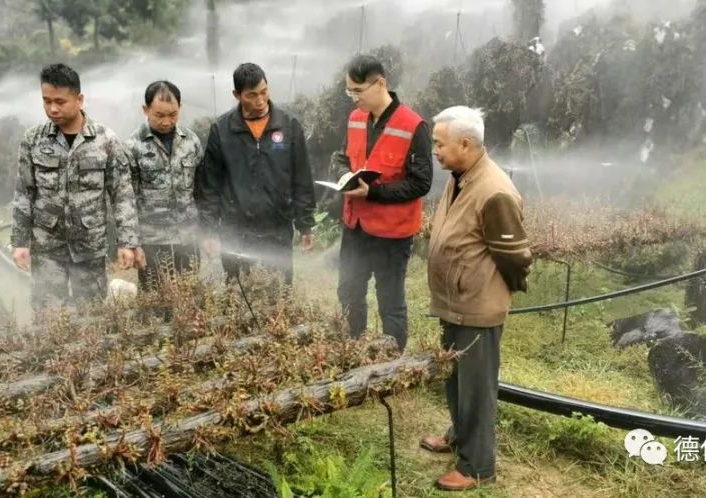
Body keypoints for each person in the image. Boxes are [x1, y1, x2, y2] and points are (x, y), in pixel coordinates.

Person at [420, 106, 532, 491]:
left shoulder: (494, 191)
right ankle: (458, 434)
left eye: (439, 143)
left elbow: (515, 256)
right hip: (454, 301)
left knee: (477, 387)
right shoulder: (461, 175)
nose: (434, 149)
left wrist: (495, 290)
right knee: (455, 377)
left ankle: (477, 466)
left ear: (465, 144)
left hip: (477, 305)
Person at [10, 63, 144, 310]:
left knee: (91, 315)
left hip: (90, 248)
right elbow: (24, 192)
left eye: (60, 101)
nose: (52, 108)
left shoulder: (106, 140)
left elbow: (122, 195)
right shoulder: (33, 140)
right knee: (48, 316)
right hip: (47, 247)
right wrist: (20, 242)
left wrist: (127, 242)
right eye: (46, 101)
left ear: (79, 99)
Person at [336, 54, 432, 352]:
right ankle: (352, 354)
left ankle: (392, 366)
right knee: (349, 293)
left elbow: (421, 183)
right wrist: (342, 174)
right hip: (355, 227)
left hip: (392, 235)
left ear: (381, 84)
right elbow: (342, 157)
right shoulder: (355, 119)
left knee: (389, 301)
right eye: (349, 91)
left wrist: (373, 193)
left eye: (358, 91)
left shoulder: (413, 125)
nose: (354, 98)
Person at [196, 62, 316, 286]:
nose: (260, 101)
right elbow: (210, 186)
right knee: (239, 297)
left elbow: (302, 179)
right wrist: (209, 230)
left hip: (277, 228)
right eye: (251, 95)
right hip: (236, 230)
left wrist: (305, 224)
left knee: (278, 295)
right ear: (237, 95)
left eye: (264, 92)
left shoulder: (289, 126)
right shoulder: (221, 131)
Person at [126, 80, 204, 291]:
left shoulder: (191, 141)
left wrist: (207, 231)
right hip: (153, 241)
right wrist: (132, 244)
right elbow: (126, 200)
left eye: (173, 114)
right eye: (159, 115)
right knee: (155, 304)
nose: (167, 121)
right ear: (146, 109)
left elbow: (201, 190)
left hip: (188, 237)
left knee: (190, 299)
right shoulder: (133, 146)